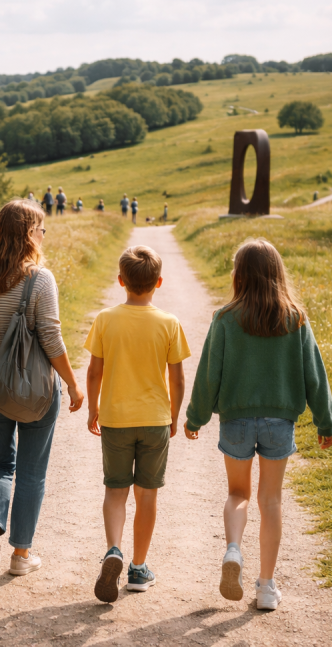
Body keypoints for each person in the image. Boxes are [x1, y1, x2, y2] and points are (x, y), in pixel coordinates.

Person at [184, 239, 332, 611]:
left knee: (239, 494)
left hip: (236, 420)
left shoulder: (225, 318)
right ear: (277, 275)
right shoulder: (295, 318)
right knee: (271, 500)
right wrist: (324, 420)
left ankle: (233, 550)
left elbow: (209, 375)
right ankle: (266, 587)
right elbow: (314, 373)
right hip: (279, 422)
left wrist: (195, 416)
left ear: (239, 275)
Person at [0, 200, 85, 581]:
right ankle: (21, 554)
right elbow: (50, 336)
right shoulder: (39, 279)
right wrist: (73, 382)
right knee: (32, 472)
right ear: (29, 233)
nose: (43, 236)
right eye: (41, 229)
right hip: (35, 392)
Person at [85, 246, 190, 603]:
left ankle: (113, 549)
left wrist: (93, 410)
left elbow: (95, 370)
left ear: (120, 282)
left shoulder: (105, 319)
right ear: (158, 283)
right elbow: (177, 380)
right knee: (147, 495)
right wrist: (175, 416)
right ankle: (138, 567)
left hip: (115, 420)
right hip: (155, 420)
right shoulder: (169, 323)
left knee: (115, 491)